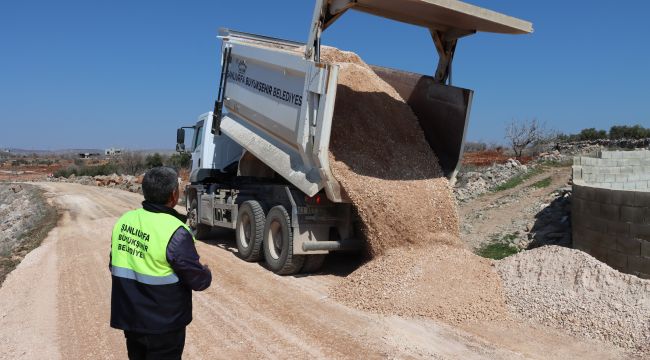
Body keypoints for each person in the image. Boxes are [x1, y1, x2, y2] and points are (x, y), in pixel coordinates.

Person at [109, 166, 211, 360]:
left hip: (131, 320)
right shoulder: (175, 231)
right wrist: (206, 273)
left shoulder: (124, 221)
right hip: (164, 327)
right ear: (173, 195)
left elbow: (113, 264)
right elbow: (198, 281)